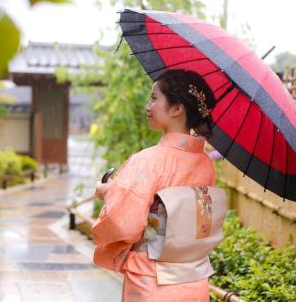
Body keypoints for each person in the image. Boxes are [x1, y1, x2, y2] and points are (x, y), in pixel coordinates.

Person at [91, 68, 217, 301]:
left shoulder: (150, 160)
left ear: (177, 109)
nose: (148, 106)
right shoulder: (206, 164)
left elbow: (124, 224)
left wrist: (108, 193)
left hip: (152, 279)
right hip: (193, 279)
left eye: (154, 98)